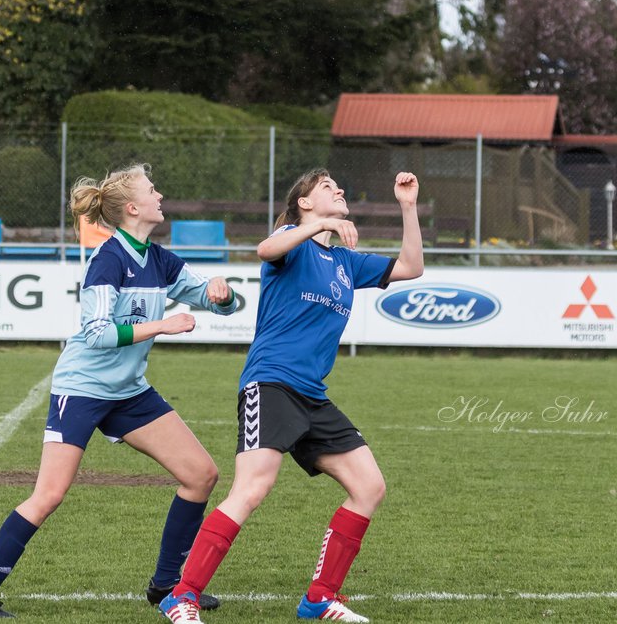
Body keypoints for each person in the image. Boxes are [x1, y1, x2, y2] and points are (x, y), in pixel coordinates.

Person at [0, 163, 237, 618]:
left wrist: (224, 297)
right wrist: (160, 326)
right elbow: (98, 334)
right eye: (152, 190)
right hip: (82, 390)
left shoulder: (160, 258)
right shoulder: (107, 260)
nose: (160, 194)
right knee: (49, 494)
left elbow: (212, 300)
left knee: (201, 474)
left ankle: (166, 585)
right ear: (132, 208)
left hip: (128, 392)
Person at [159, 169, 424, 624]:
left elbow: (412, 267)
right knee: (252, 488)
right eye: (327, 187)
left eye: (338, 186)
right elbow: (265, 249)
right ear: (304, 203)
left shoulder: (346, 262)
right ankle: (181, 596)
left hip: (312, 396)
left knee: (369, 487)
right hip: (271, 383)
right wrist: (317, 227)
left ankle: (320, 598)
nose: (339, 190)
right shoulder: (291, 240)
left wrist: (408, 206)